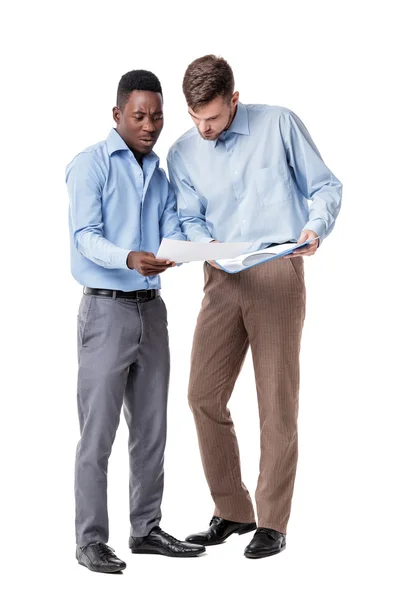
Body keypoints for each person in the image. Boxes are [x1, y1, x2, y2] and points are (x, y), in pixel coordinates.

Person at [167, 55, 342, 559]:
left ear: (234, 100)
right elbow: (188, 215)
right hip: (220, 275)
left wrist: (315, 228)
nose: (204, 128)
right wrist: (206, 244)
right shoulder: (184, 152)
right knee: (202, 395)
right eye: (196, 118)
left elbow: (326, 185)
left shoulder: (279, 124)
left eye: (214, 118)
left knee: (275, 402)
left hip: (275, 272)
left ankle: (272, 520)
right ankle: (233, 510)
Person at [66, 69, 205, 573]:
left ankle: (145, 529)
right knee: (97, 432)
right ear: (117, 114)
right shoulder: (91, 165)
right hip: (105, 309)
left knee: (151, 429)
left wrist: (186, 247)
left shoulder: (160, 173)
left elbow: (170, 227)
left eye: (158, 115)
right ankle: (89, 540)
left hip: (152, 310)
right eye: (140, 115)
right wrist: (128, 257)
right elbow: (83, 235)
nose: (150, 125)